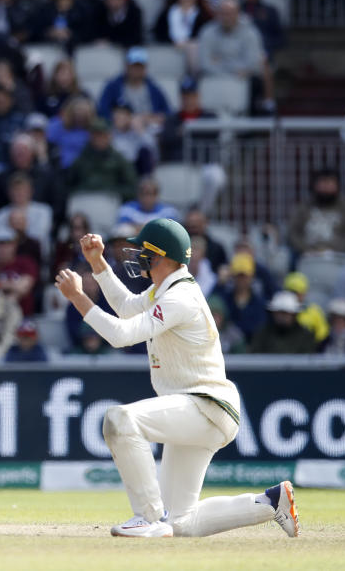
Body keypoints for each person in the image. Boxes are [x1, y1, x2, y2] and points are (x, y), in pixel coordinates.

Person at [55, 218, 299, 538]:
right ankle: (272, 502)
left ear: (162, 256)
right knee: (181, 523)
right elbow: (127, 308)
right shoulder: (164, 290)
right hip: (201, 409)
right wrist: (98, 263)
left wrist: (77, 297)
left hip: (205, 406)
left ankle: (147, 516)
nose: (138, 256)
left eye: (144, 250)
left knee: (119, 420)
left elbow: (121, 334)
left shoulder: (179, 298)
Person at [248, 291, 317, 354]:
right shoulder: (262, 334)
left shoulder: (305, 336)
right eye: (278, 312)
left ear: (293, 315)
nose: (282, 317)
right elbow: (254, 356)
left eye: (285, 313)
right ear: (273, 313)